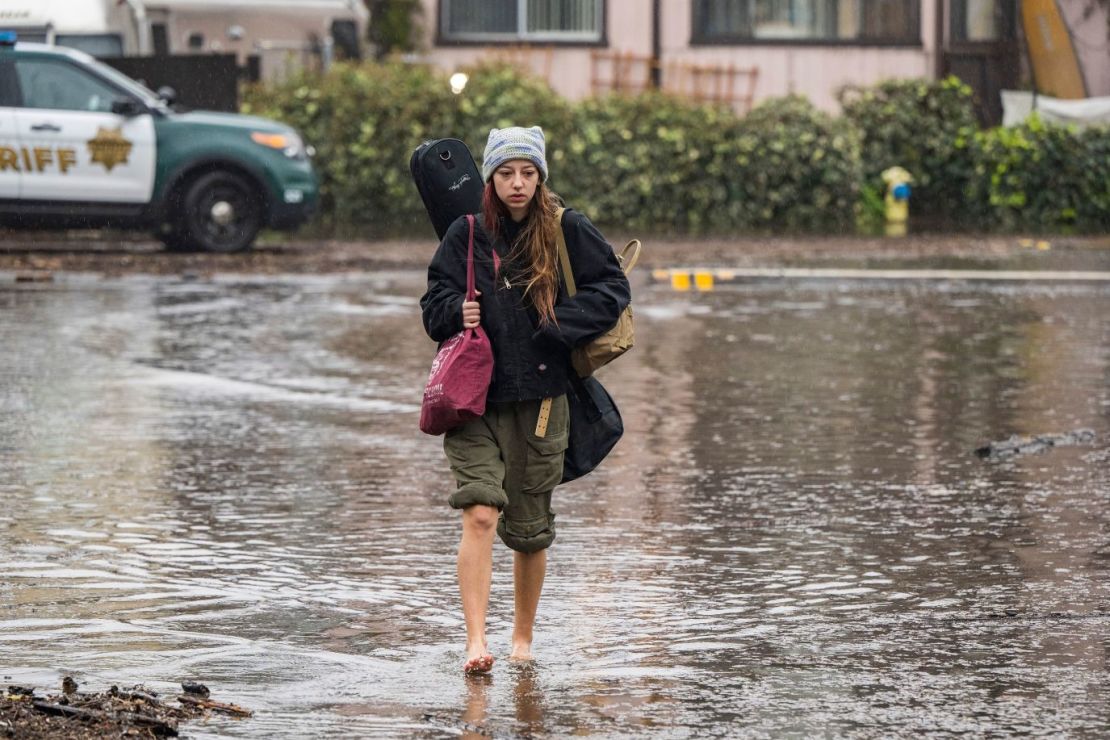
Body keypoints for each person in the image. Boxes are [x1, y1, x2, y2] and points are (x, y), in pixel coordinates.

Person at [420, 126, 630, 674]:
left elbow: (611, 290)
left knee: (531, 530)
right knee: (480, 511)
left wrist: (559, 324)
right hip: (473, 401)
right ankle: (475, 642)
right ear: (489, 178)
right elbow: (433, 302)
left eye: (528, 173)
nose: (518, 183)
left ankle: (522, 639)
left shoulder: (567, 228)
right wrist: (452, 314)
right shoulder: (465, 233)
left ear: (540, 179)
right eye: (507, 173)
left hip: (542, 402)